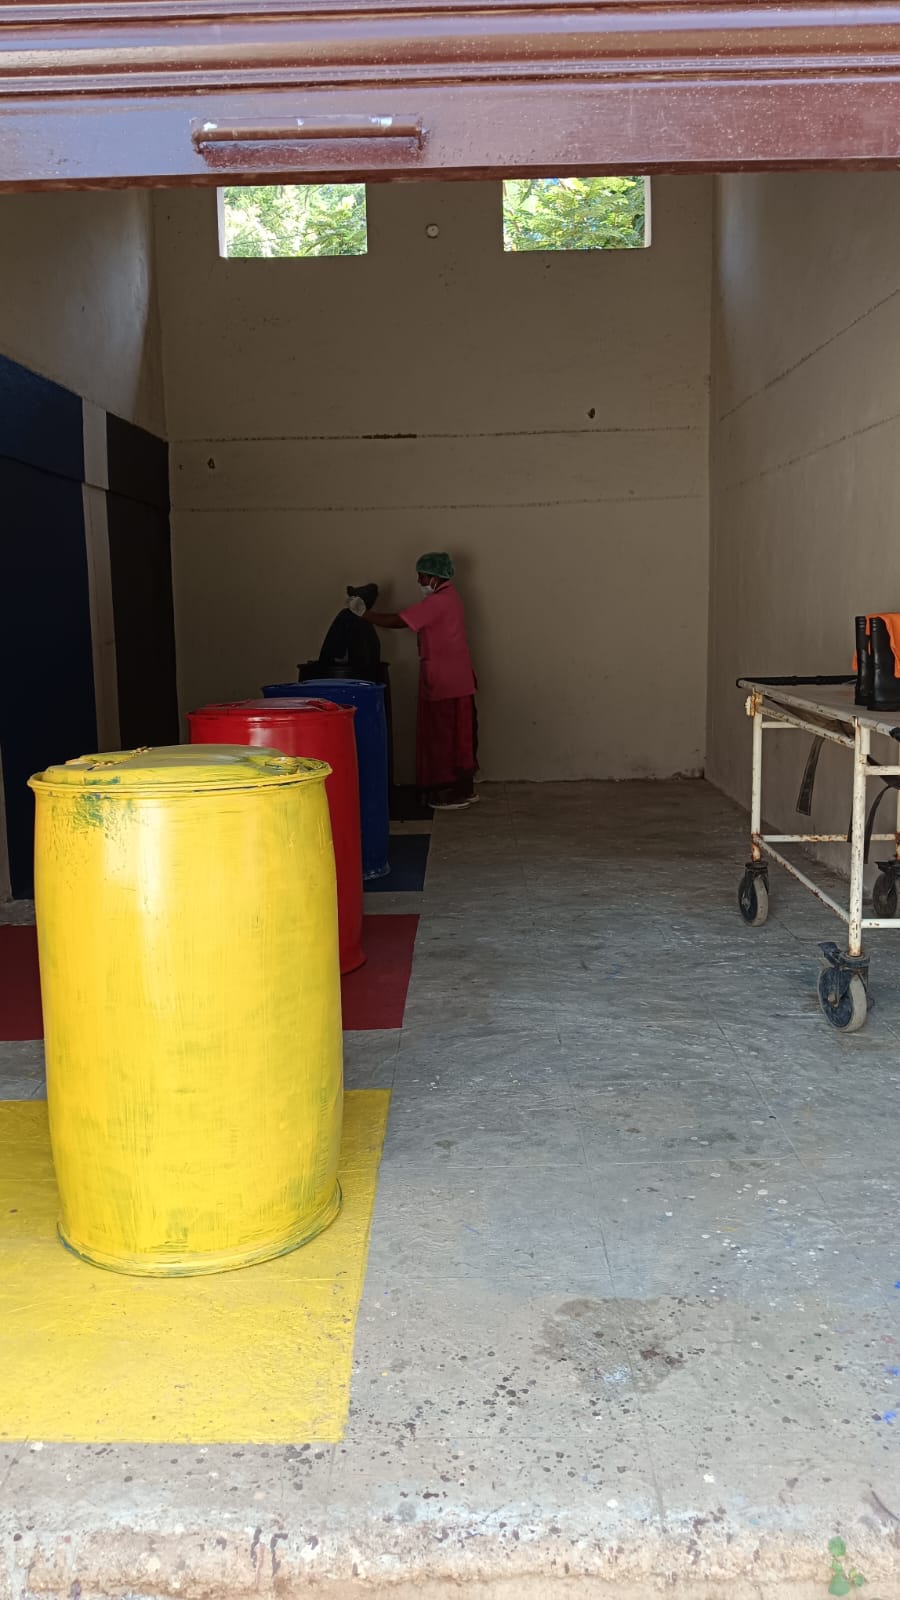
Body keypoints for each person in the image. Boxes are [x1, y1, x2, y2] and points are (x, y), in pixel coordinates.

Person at [368, 553, 478, 810]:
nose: (419, 581)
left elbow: (400, 620)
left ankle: (447, 792)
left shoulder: (438, 601)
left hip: (445, 681)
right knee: (460, 737)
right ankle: (463, 788)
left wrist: (365, 615)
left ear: (436, 576)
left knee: (443, 737)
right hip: (457, 678)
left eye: (423, 576)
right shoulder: (451, 597)